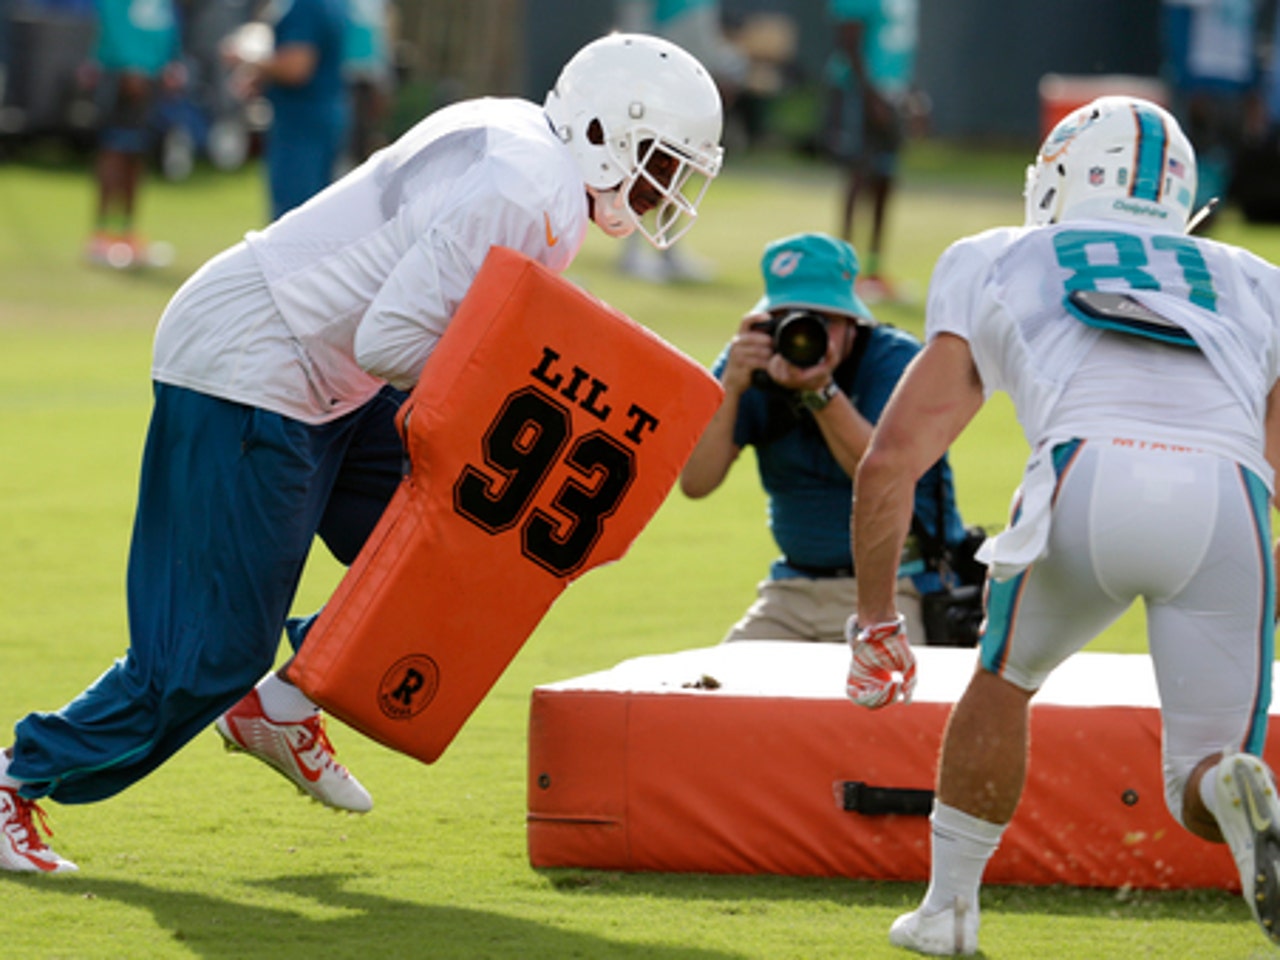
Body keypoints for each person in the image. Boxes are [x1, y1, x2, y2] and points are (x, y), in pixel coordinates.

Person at [0, 31, 724, 875]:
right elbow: (392, 339)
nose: (665, 188)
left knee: (470, 538)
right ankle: (19, 778)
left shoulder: (533, 154)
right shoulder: (530, 189)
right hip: (257, 359)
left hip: (320, 369)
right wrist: (505, 395)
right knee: (209, 657)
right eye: (663, 164)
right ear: (608, 129)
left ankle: (289, 695)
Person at [846, 95, 1280, 954]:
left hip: (1092, 472)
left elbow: (893, 459)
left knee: (1005, 679)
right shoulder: (1256, 280)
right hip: (1233, 497)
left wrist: (874, 620)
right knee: (1195, 778)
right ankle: (1232, 783)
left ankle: (949, 913)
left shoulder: (1000, 256)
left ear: (1065, 177)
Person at [679, 232, 969, 646]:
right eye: (789, 318)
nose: (805, 335)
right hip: (791, 589)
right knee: (718, 698)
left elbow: (882, 475)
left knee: (890, 702)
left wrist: (821, 393)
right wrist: (731, 389)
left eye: (823, 321)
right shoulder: (751, 362)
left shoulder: (896, 362)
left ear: (853, 321)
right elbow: (695, 482)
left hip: (896, 590)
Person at [614, 0, 748, 283]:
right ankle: (632, 251)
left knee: (673, 169)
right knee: (643, 166)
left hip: (689, 82)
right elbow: (635, 22)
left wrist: (721, 66)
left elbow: (703, 31)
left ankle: (667, 250)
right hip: (657, 83)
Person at [822, 0, 922, 303]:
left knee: (885, 179)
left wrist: (910, 93)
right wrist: (870, 95)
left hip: (893, 91)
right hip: (861, 92)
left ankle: (874, 270)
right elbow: (849, 39)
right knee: (858, 176)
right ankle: (843, 271)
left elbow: (901, 45)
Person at [222, 0, 349, 220]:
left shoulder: (305, 6)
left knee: (294, 218)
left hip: (302, 122)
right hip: (321, 115)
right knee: (316, 215)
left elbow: (296, 68)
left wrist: (246, 58)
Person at [83, 0, 185, 268]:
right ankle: (100, 235)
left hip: (152, 76)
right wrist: (130, 65)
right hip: (122, 75)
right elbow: (114, 20)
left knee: (137, 156)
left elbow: (166, 22)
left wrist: (172, 62)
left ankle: (126, 235)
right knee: (115, 151)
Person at [1161, 0, 1264, 226]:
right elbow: (1178, 28)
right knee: (1195, 151)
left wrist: (1253, 86)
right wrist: (1189, 82)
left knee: (1224, 155)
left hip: (1235, 80)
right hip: (1202, 78)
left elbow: (1250, 35)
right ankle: (1189, 208)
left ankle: (1213, 209)